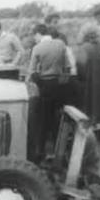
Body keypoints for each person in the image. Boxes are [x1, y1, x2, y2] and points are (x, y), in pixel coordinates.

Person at [28, 23, 71, 157]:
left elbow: (32, 71)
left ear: (38, 34)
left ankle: (40, 149)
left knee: (42, 118)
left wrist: (37, 82)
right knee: (57, 116)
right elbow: (67, 67)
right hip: (59, 85)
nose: (34, 39)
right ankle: (59, 147)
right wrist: (62, 81)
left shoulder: (37, 48)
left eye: (34, 36)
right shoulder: (60, 44)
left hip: (44, 84)